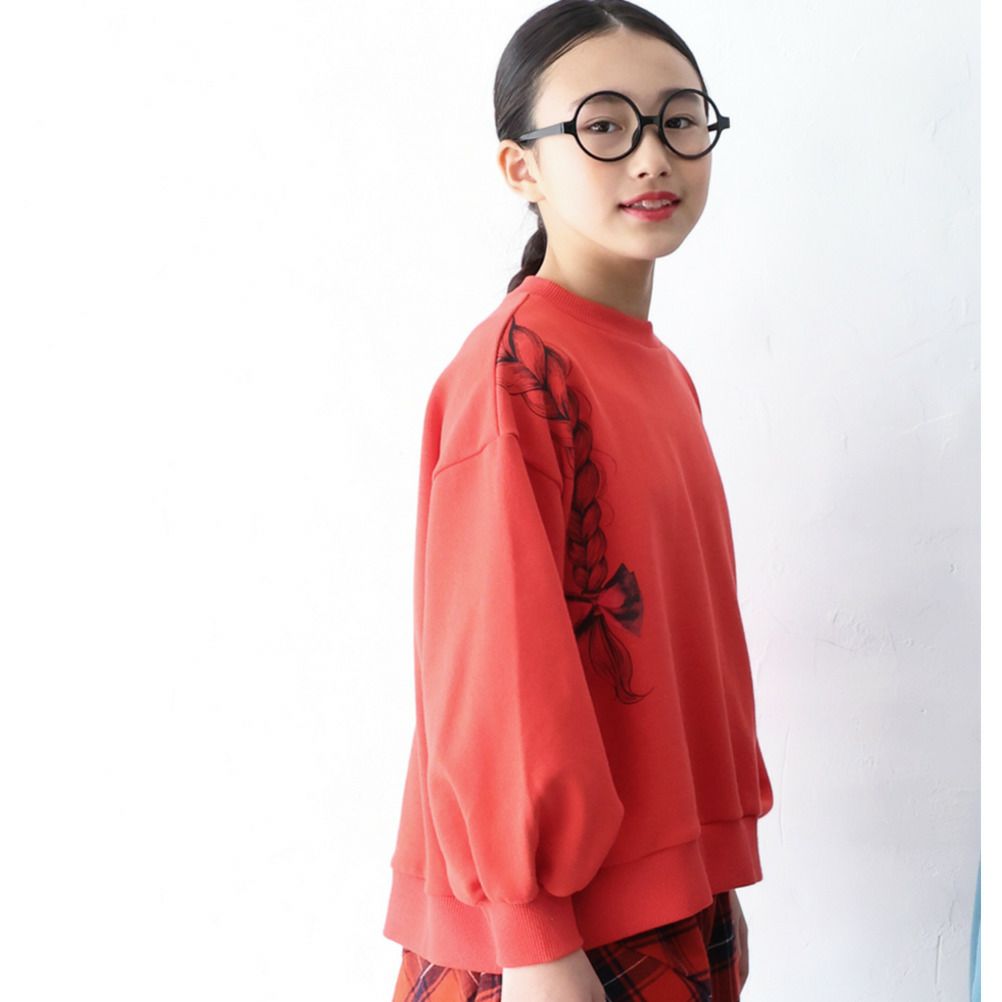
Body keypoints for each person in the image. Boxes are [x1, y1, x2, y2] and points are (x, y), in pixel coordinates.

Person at [383, 2, 774, 999]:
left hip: (667, 904)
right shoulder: (517, 372)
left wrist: (714, 875)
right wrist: (536, 949)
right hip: (560, 944)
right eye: (604, 125)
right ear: (521, 168)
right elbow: (493, 678)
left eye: (679, 119)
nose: (653, 156)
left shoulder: (659, 371)